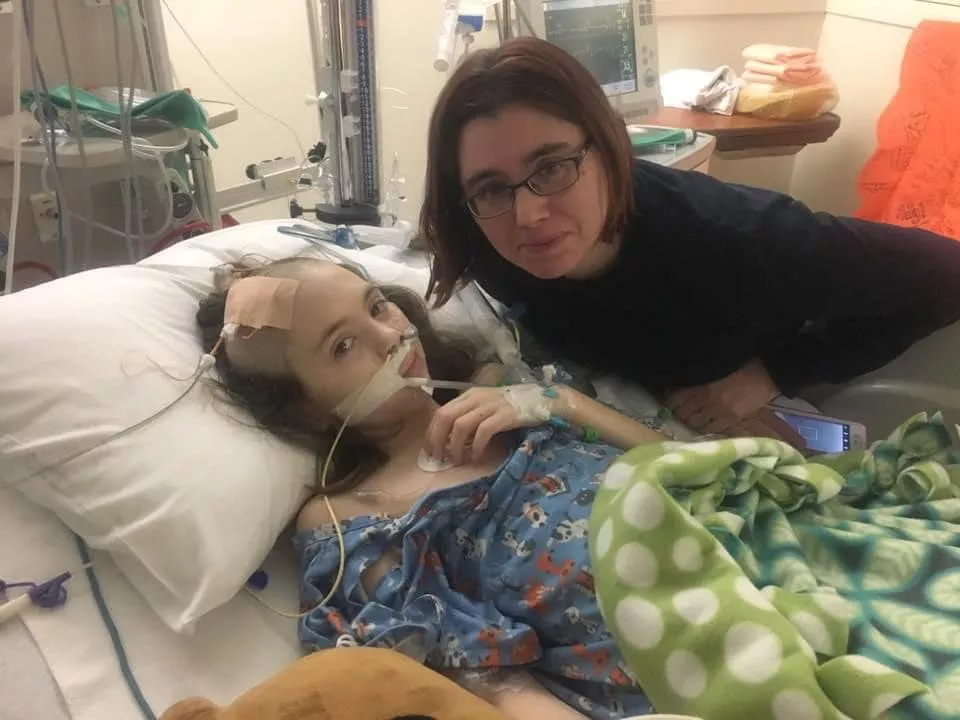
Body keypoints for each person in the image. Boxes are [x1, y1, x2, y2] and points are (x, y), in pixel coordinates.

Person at [418, 36, 960, 439]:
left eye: (554, 166)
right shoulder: (482, 237)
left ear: (607, 147)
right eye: (491, 188)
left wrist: (775, 373)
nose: (529, 214)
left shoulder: (742, 242)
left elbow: (947, 273)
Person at [196, 256, 666, 720]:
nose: (389, 336)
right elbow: (495, 687)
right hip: (690, 658)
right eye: (342, 346)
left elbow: (689, 462)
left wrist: (558, 402)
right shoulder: (358, 524)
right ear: (308, 410)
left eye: (377, 306)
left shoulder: (515, 395)